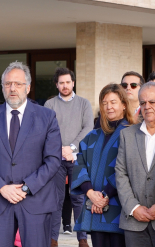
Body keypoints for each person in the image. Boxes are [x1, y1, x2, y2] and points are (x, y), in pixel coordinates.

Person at [0, 61, 62, 247]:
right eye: (7, 84)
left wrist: (26, 187)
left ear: (28, 87)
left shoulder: (47, 117)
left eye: (18, 84)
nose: (13, 88)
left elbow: (53, 160)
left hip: (36, 201)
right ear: (3, 88)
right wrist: (1, 187)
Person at [116, 81, 155, 247]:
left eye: (152, 102)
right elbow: (121, 174)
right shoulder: (126, 135)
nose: (147, 106)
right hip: (134, 223)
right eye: (143, 102)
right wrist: (133, 207)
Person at [70, 83, 134, 247]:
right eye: (104, 103)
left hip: (118, 208)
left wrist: (105, 195)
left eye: (113, 102)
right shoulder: (92, 135)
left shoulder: (132, 133)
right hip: (94, 207)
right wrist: (91, 194)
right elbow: (79, 162)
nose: (108, 107)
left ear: (123, 104)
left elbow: (128, 167)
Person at [44, 67, 93, 247]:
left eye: (68, 82)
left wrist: (72, 148)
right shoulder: (50, 105)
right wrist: (61, 150)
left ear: (73, 83)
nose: (65, 86)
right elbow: (47, 130)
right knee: (55, 199)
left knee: (78, 198)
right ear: (57, 85)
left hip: (77, 157)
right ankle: (53, 239)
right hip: (55, 158)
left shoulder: (83, 103)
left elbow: (88, 127)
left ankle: (82, 238)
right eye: (61, 83)